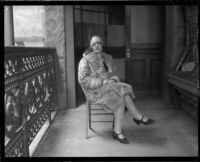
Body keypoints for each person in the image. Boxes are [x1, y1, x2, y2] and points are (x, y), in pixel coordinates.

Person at [78, 35, 155, 144]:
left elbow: (114, 74)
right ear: (90, 47)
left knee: (120, 93)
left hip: (109, 87)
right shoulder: (85, 60)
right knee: (121, 94)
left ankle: (119, 130)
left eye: (99, 43)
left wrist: (113, 80)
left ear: (102, 45)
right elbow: (83, 79)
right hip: (94, 91)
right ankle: (136, 118)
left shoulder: (107, 58)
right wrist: (101, 82)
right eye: (94, 44)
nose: (97, 45)